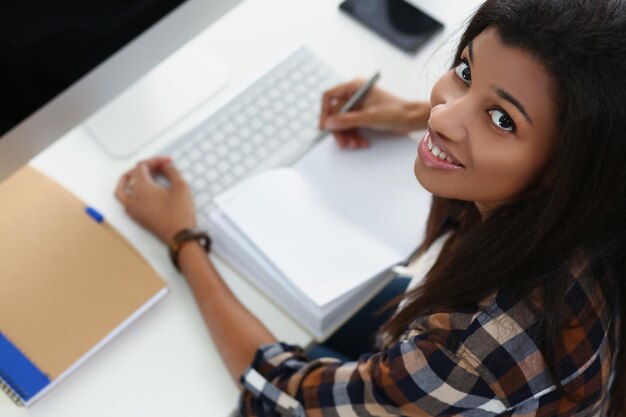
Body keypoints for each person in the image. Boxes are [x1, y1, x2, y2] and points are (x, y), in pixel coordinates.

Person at [115, 0, 626, 415]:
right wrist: (407, 114)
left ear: (571, 164)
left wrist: (183, 239)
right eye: (465, 71)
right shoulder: (594, 209)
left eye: (502, 119)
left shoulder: (474, 351)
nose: (444, 114)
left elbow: (284, 393)